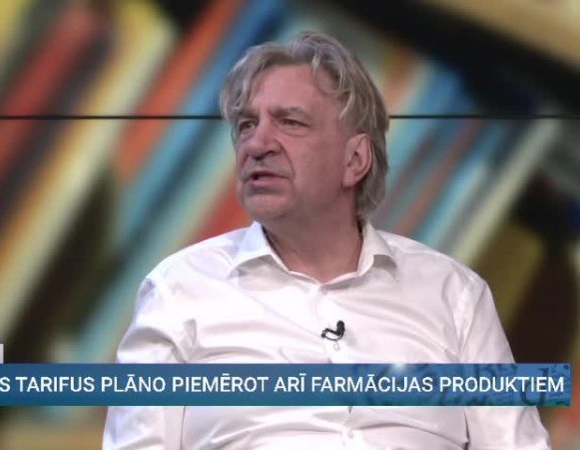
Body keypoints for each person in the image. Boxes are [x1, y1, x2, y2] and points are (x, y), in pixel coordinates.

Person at [103, 31, 550, 449]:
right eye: (246, 125)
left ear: (355, 159)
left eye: (290, 122)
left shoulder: (455, 295)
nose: (257, 144)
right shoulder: (179, 291)